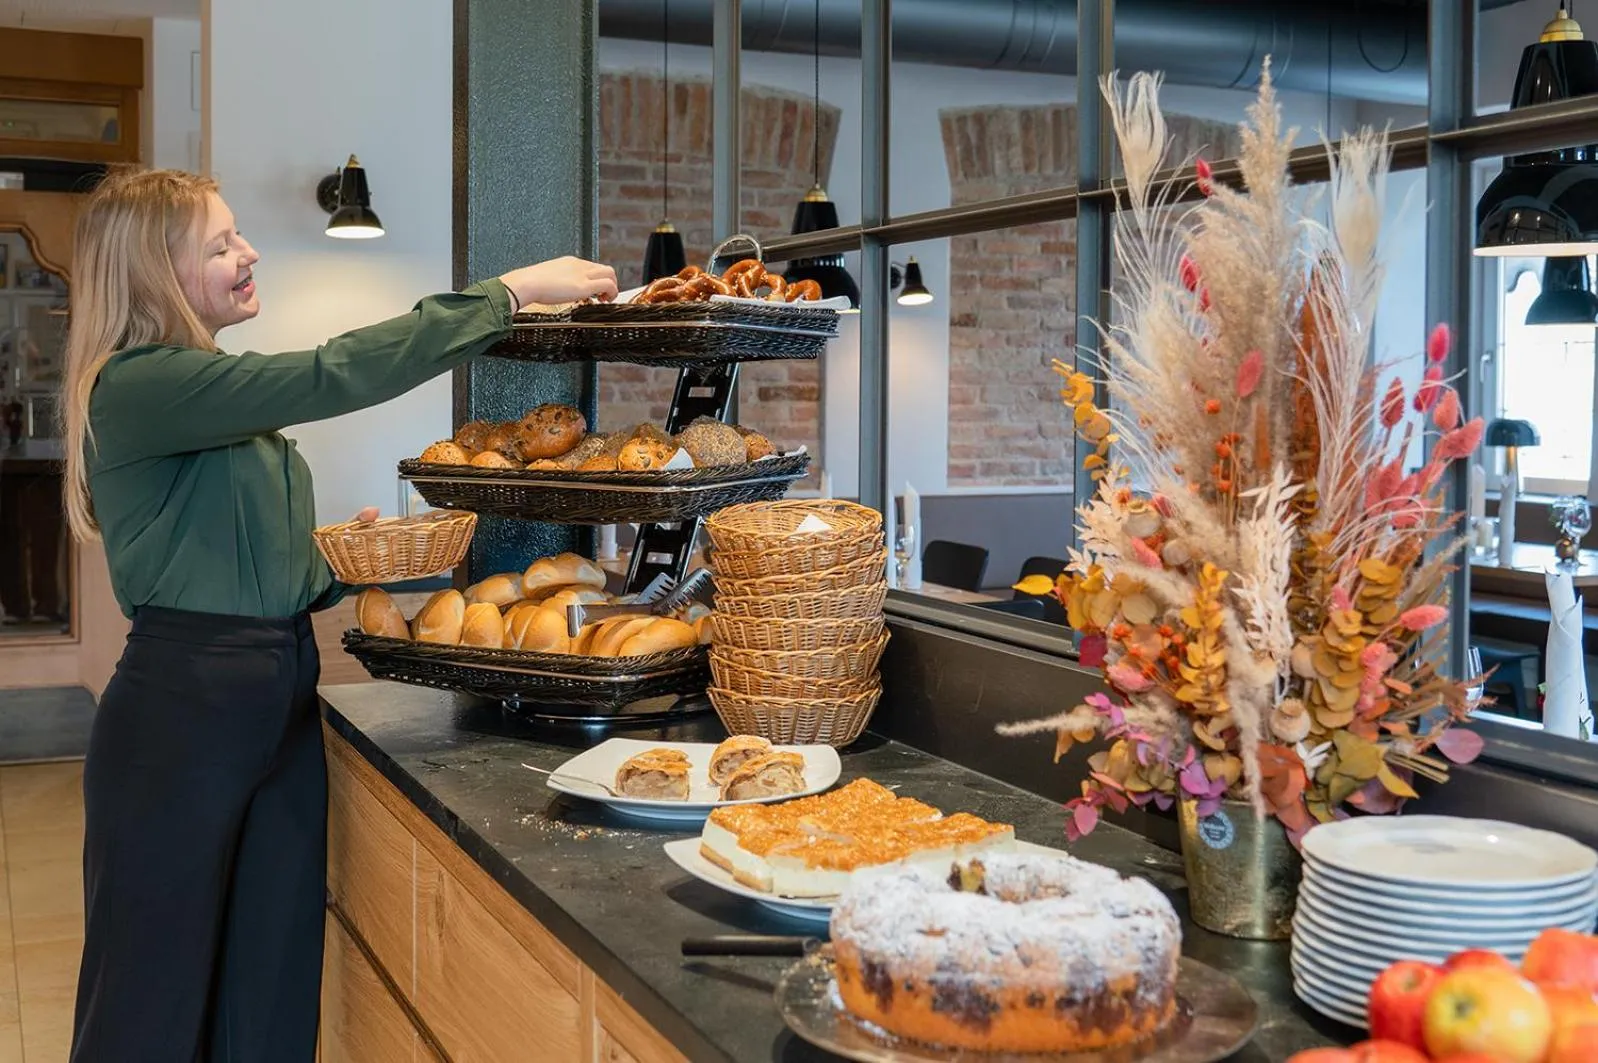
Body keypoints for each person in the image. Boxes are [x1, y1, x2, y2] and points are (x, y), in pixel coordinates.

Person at [60, 168, 617, 1062]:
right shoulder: (138, 384)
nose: (248, 253)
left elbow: (232, 561)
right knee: (149, 1005)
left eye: (239, 235)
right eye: (220, 243)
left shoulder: (209, 392)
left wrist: (339, 563)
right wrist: (505, 296)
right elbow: (334, 374)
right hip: (180, 712)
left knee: (270, 986)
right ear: (154, 271)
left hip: (276, 692)